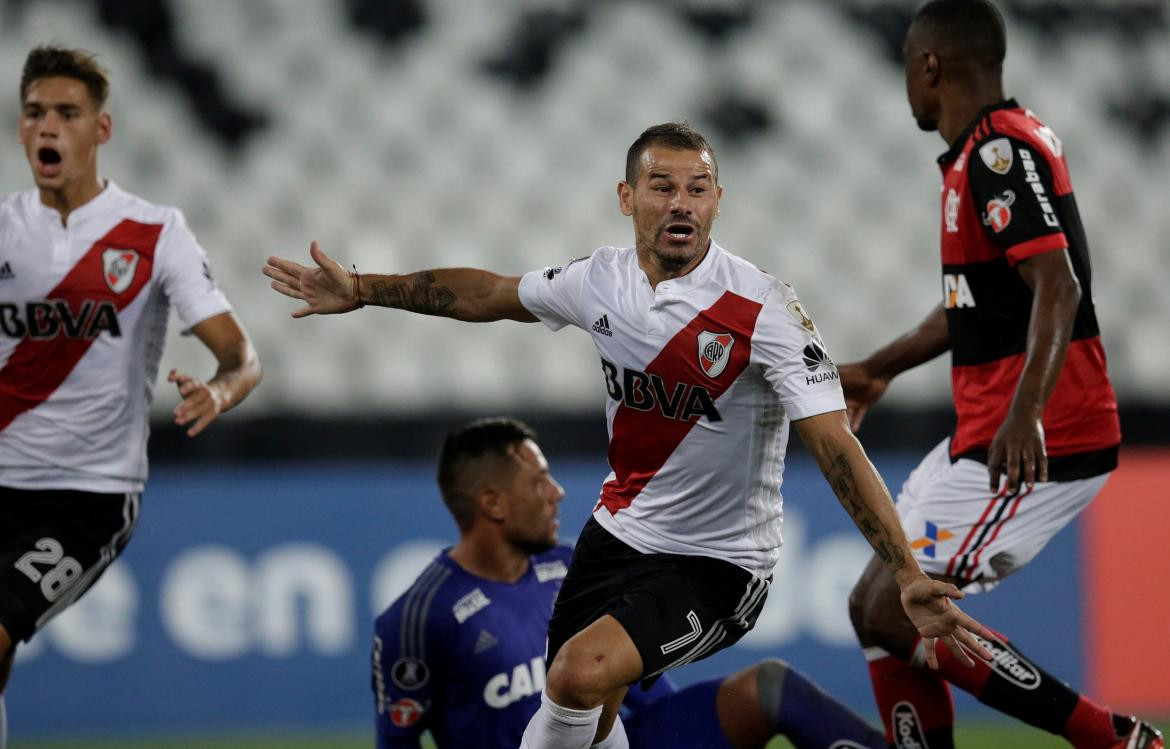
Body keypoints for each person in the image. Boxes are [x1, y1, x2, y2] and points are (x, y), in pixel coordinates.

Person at [266, 120, 992, 749]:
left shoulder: (760, 309)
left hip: (721, 562)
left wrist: (902, 567)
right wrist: (364, 289)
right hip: (618, 537)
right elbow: (487, 292)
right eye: (662, 186)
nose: (682, 202)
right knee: (588, 710)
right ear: (627, 198)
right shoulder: (599, 282)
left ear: (717, 200)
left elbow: (835, 443)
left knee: (577, 673)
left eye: (698, 187)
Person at [839, 3, 1163, 748]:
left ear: (929, 66)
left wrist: (1026, 414)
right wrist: (876, 369)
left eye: (905, 73)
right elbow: (971, 301)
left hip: (1041, 436)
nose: (907, 92)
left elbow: (1060, 284)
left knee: (896, 606)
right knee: (871, 605)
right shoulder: (986, 153)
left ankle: (1113, 739)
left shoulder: (997, 155)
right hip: (988, 427)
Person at [0, 46, 261, 747]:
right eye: (34, 113)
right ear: (20, 129)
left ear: (100, 130)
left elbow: (241, 356)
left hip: (84, 496)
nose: (48, 127)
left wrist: (221, 388)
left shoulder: (152, 233)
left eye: (67, 113)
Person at [371, 416, 886, 749]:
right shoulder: (417, 620)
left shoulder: (573, 566)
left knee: (771, 688)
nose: (557, 493)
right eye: (538, 482)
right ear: (492, 504)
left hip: (633, 738)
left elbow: (649, 691)